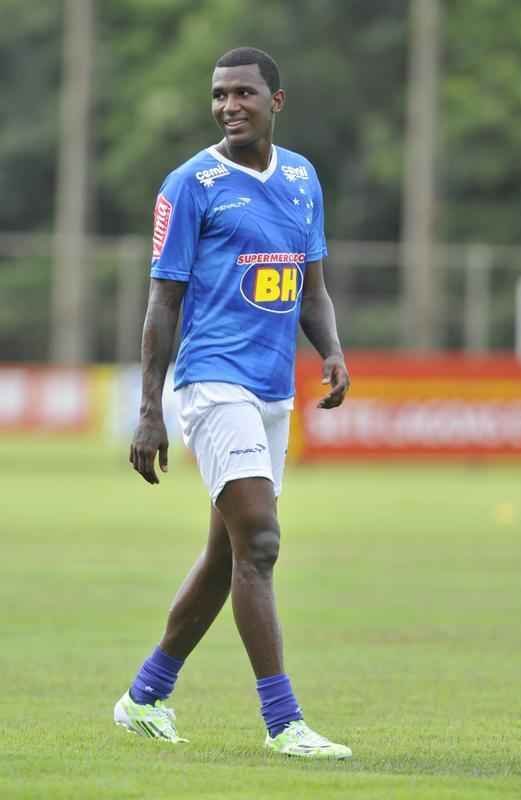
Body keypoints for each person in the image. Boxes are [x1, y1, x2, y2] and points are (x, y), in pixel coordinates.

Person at [114, 46, 351, 759]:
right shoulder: (190, 184)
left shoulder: (303, 178)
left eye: (243, 93)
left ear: (275, 100)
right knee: (263, 542)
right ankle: (284, 723)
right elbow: (164, 299)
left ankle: (144, 696)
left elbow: (310, 289)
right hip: (213, 384)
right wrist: (150, 407)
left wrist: (331, 350)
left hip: (273, 390)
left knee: (229, 554)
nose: (228, 107)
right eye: (219, 95)